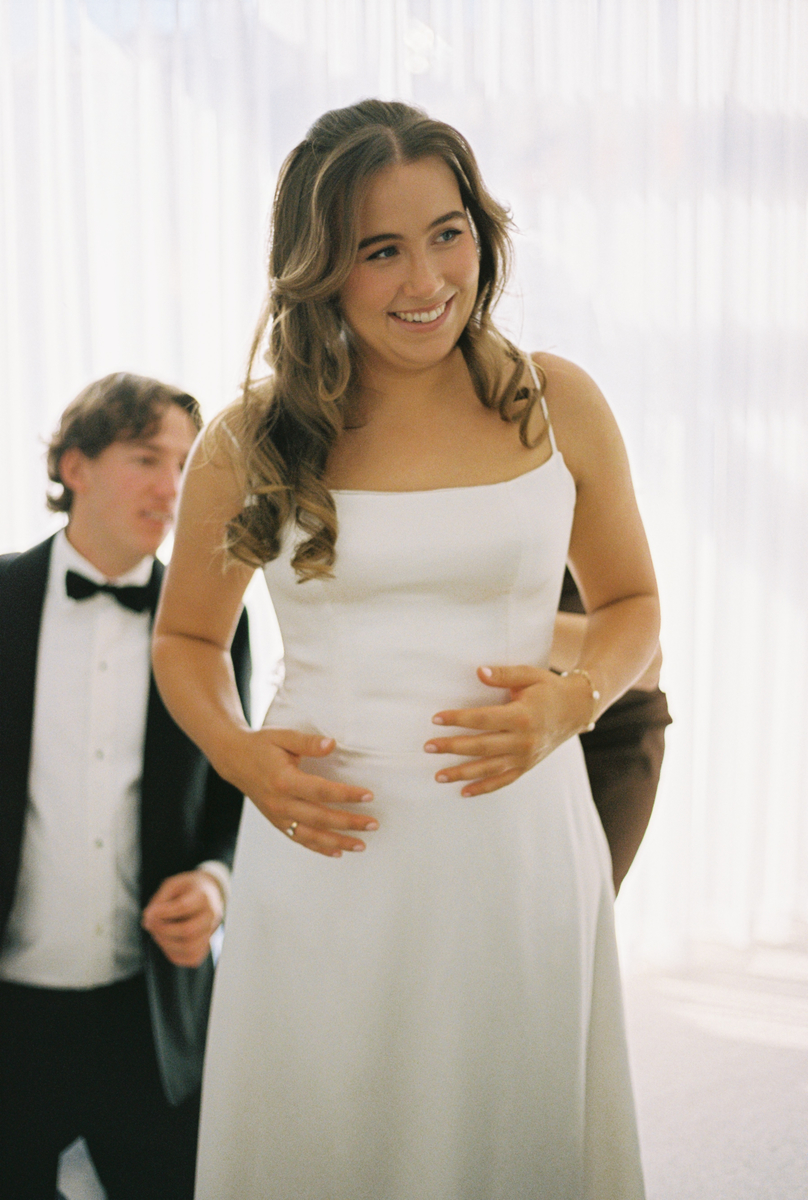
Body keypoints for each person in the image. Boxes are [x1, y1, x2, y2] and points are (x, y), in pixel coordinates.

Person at [152, 99, 660, 1199]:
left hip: (517, 842)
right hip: (328, 845)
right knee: (329, 1131)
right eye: (379, 250)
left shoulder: (556, 401)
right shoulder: (250, 437)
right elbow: (186, 637)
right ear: (319, 268)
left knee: (511, 1125)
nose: (426, 280)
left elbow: (633, 604)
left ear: (483, 232)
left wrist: (571, 700)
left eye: (447, 233)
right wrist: (238, 755)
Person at [0, 373, 250, 1200]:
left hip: (149, 1017)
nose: (173, 486)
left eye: (185, 464)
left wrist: (214, 884)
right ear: (74, 466)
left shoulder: (217, 619)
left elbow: (232, 792)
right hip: (10, 1017)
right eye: (148, 458)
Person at [553, 569, 672, 893]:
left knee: (578, 902)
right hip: (499, 723)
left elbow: (648, 664)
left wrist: (501, 628)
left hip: (613, 729)